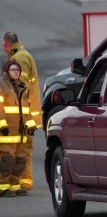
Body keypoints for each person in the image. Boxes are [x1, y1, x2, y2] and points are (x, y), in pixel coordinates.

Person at [2, 32, 40, 191]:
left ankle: (22, 182)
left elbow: (18, 90)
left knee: (19, 151)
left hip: (22, 116)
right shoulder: (23, 55)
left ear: (6, 44)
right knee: (21, 150)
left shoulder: (19, 59)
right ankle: (20, 182)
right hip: (26, 115)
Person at [0, 59, 36, 197]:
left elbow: (26, 109)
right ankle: (2, 186)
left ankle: (14, 185)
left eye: (18, 70)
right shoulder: (2, 85)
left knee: (20, 159)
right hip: (7, 132)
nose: (16, 72)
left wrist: (31, 125)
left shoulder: (22, 86)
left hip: (20, 133)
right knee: (7, 160)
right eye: (13, 70)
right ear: (7, 71)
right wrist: (2, 125)